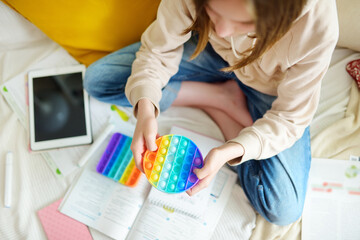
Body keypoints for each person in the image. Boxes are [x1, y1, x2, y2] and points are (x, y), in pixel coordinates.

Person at [84, 0, 338, 225]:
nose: (223, 31)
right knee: (99, 79)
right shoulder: (211, 27)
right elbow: (157, 52)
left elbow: (290, 118)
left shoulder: (316, 26)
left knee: (282, 208)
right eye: (213, 11)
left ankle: (222, 102)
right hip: (208, 52)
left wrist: (232, 149)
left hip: (269, 90)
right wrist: (146, 108)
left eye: (244, 22)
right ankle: (218, 98)